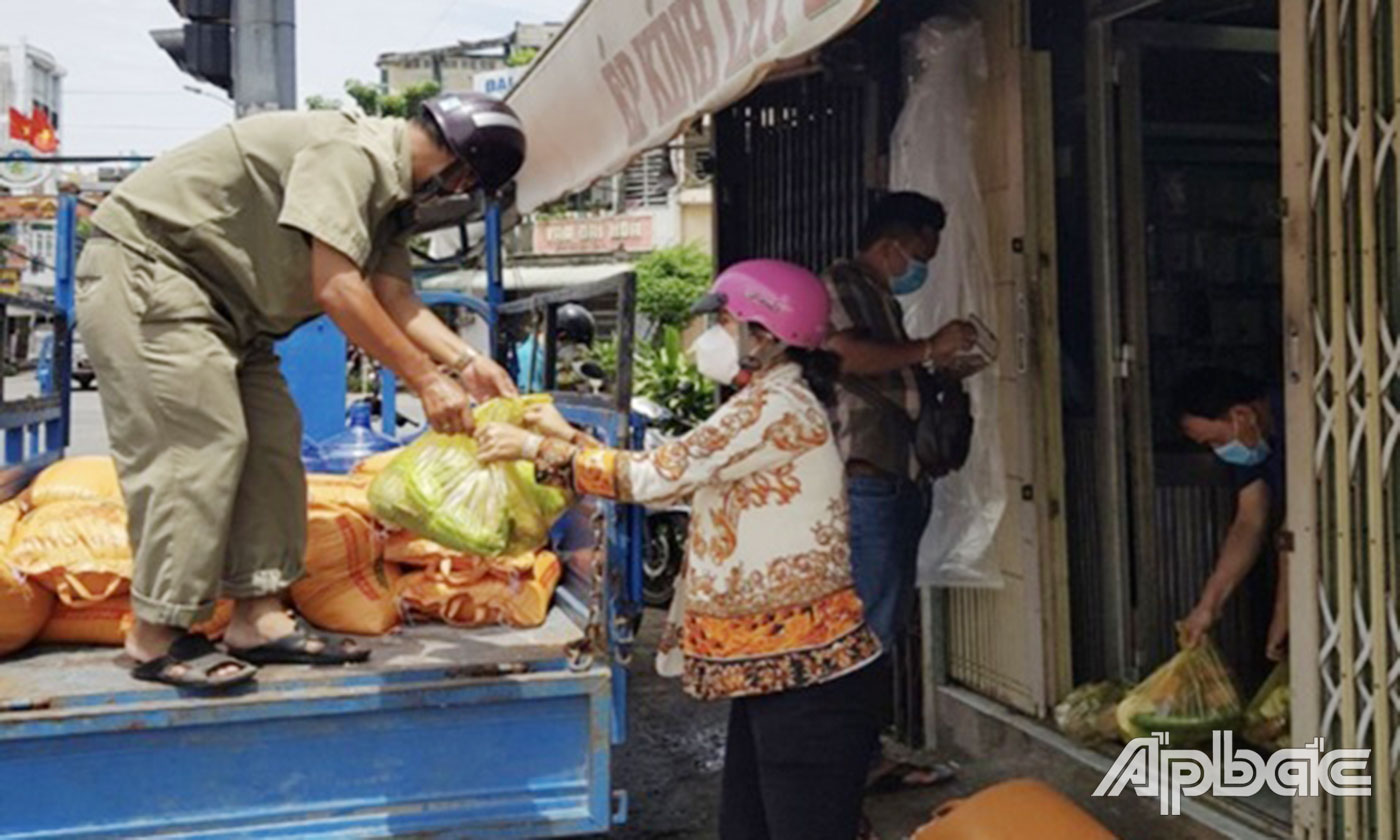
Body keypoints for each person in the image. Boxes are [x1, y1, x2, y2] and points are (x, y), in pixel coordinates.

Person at [75, 92, 522, 689]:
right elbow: (338, 289)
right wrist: (425, 379)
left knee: (273, 443)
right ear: (461, 171)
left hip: (233, 310)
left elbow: (395, 298)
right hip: (155, 272)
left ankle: (257, 618)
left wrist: (469, 364)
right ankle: (156, 632)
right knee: (201, 443)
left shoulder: (390, 201)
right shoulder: (352, 154)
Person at [477, 260, 883, 840]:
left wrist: (535, 447)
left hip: (805, 675)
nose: (712, 335)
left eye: (723, 320)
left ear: (765, 335)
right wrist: (562, 437)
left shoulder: (774, 408)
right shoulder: (767, 402)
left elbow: (659, 476)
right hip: (774, 671)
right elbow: (683, 466)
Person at [822, 191, 975, 793]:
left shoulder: (879, 295)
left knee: (879, 621)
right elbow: (841, 355)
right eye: (920, 254)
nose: (923, 267)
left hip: (895, 479)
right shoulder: (844, 282)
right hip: (870, 481)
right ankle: (848, 761)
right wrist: (928, 348)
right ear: (889, 247)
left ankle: (859, 753)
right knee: (869, 627)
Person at [1172, 367, 1287, 660]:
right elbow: (1249, 522)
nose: (1217, 451)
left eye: (1216, 441)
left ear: (1242, 416)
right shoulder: (1254, 443)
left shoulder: (1301, 414)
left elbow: (1301, 527)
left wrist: (1284, 615)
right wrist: (1207, 607)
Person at [514, 302, 597, 392]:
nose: (575, 355)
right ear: (561, 336)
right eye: (576, 349)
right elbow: (532, 402)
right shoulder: (530, 360)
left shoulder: (545, 359)